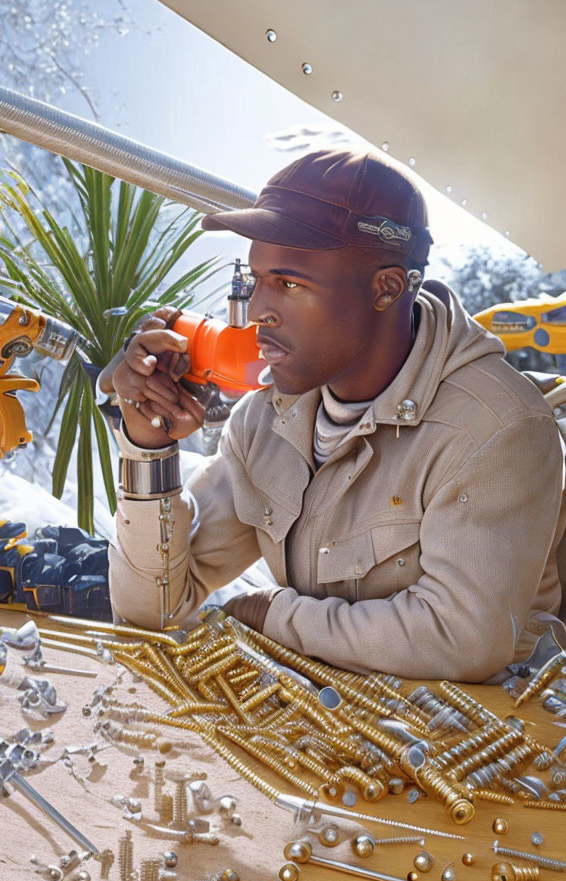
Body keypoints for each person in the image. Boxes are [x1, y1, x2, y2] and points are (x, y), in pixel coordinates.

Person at [107, 148, 566, 682]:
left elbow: (463, 640)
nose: (258, 310)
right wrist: (149, 447)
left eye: (290, 283)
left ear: (386, 288)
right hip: (332, 735)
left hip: (483, 747)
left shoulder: (496, 428)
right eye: (256, 279)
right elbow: (152, 611)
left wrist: (276, 618)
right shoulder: (266, 420)